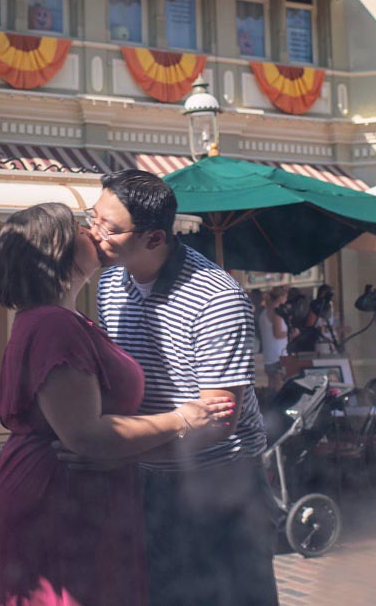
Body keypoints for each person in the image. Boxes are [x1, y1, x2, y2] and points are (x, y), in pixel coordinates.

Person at [0, 202, 233, 606]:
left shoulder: (62, 318)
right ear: (58, 249)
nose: (94, 233)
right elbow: (85, 434)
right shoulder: (54, 323)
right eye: (83, 227)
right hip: (57, 498)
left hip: (67, 493)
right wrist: (181, 419)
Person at [90, 170, 278, 606]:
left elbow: (219, 420)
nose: (94, 234)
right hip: (150, 478)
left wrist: (116, 449)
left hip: (220, 486)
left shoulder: (217, 298)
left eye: (109, 228)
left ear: (155, 238)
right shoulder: (109, 285)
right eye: (93, 218)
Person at [258, 285, 289, 390]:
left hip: (268, 355)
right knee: (279, 387)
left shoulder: (263, 313)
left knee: (271, 386)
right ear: (281, 298)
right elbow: (278, 333)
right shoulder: (276, 313)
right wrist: (291, 334)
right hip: (278, 355)